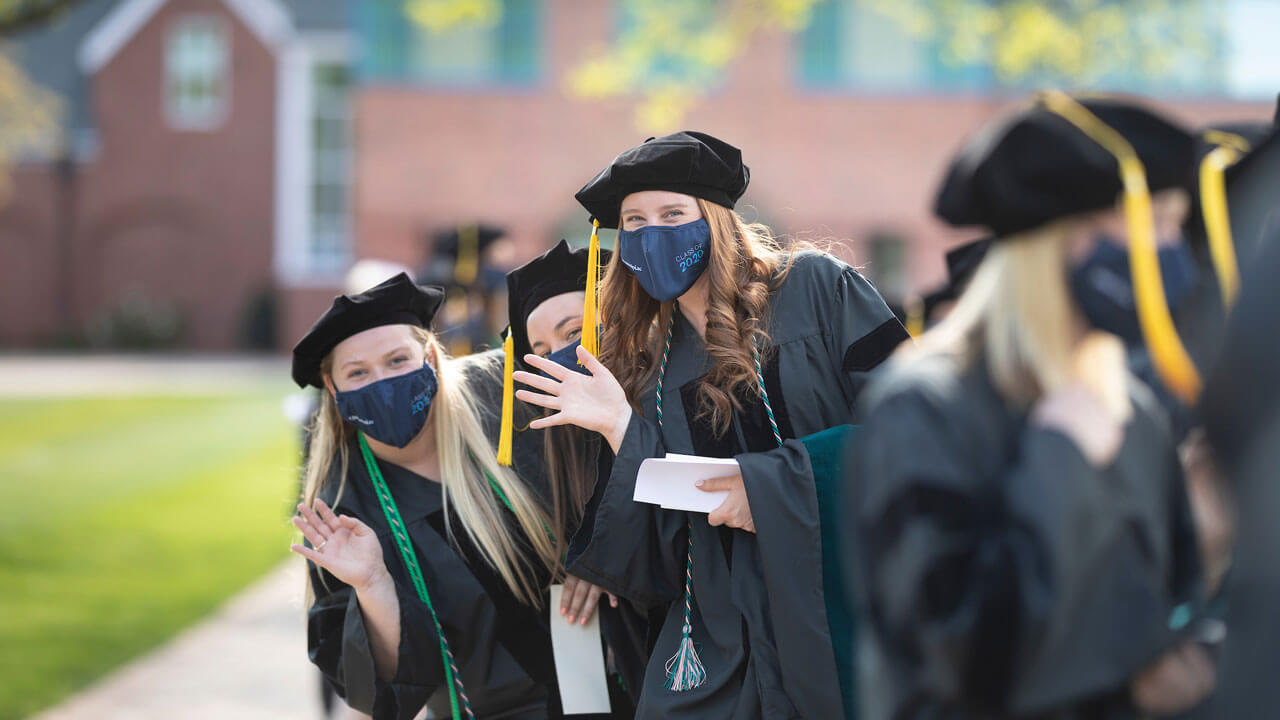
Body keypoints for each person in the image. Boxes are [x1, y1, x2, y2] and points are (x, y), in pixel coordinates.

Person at [513, 131, 908, 718]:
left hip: (843, 602)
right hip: (726, 639)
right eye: (635, 223)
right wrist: (623, 428)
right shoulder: (645, 363)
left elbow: (907, 428)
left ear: (717, 220)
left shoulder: (815, 289)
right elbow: (659, 565)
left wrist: (772, 487)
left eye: (673, 213)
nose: (653, 235)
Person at [848, 93, 1214, 719]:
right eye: (1150, 225)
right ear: (1062, 243)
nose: (1168, 250)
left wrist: (1216, 539)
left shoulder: (1131, 409)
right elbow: (961, 653)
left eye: (1174, 226)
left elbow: (1163, 624)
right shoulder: (925, 409)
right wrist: (1060, 460)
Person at [290, 273, 574, 720]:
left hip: (615, 682)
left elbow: (602, 466)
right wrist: (372, 584)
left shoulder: (501, 397)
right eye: (358, 373)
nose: (381, 382)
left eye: (398, 360)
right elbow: (380, 693)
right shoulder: (343, 512)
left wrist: (602, 559)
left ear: (429, 356)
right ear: (333, 389)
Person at [501, 238, 650, 715]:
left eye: (572, 334)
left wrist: (609, 553)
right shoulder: (549, 445)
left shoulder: (666, 405)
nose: (557, 358)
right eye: (540, 349)